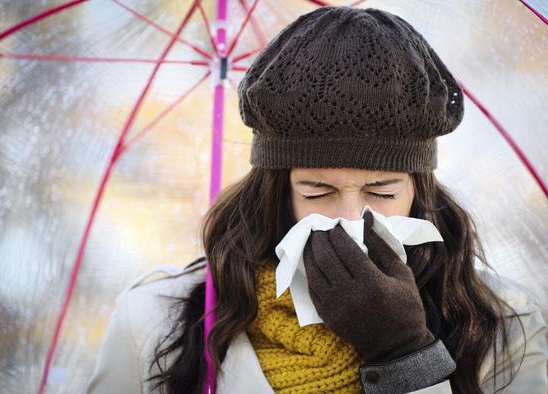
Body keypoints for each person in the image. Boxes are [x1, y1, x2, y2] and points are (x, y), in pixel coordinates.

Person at [85, 6, 548, 394]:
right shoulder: (156, 319)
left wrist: (406, 354)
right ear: (276, 193)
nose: (349, 218)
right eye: (317, 191)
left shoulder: (503, 325)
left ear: (418, 191)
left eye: (381, 192)